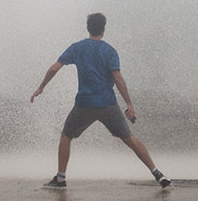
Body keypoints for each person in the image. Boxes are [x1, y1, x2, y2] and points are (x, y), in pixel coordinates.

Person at [31, 12, 170, 188]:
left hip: (84, 104)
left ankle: (60, 178)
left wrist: (41, 87)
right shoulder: (109, 51)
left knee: (66, 135)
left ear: (88, 28)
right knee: (129, 138)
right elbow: (118, 79)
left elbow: (53, 69)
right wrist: (129, 103)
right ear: (103, 29)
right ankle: (158, 174)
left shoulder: (77, 48)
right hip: (108, 104)